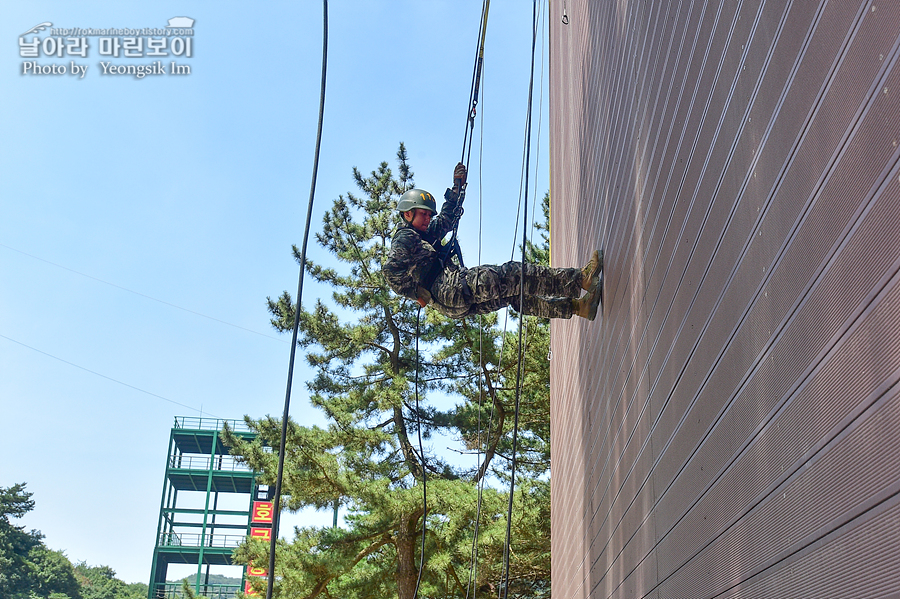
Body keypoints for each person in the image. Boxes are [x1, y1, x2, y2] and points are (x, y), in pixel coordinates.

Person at [383, 163, 603, 320]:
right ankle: (581, 280)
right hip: (450, 289)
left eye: (429, 215)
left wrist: (457, 188)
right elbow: (390, 271)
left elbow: (446, 220)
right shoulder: (405, 237)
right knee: (512, 273)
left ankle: (578, 308)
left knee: (514, 295)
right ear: (408, 214)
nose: (428, 219)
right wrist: (415, 293)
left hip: (451, 303)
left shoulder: (422, 233)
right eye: (423, 214)